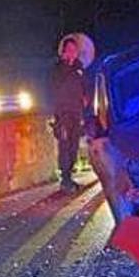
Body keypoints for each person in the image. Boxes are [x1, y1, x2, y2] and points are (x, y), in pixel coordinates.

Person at [50, 36, 87, 193]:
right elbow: (54, 89)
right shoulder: (58, 69)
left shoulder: (80, 69)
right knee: (64, 146)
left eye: (74, 50)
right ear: (63, 52)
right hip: (63, 114)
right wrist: (67, 65)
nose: (72, 53)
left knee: (73, 146)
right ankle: (65, 180)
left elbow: (83, 87)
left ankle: (69, 177)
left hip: (76, 113)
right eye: (69, 50)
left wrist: (85, 99)